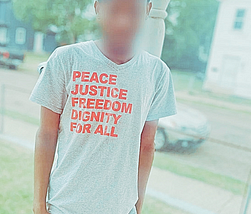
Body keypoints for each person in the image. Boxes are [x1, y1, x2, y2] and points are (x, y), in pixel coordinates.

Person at [30, 0, 177, 213]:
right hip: (65, 206)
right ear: (98, 7)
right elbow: (46, 134)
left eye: (134, 12)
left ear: (147, 10)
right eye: (114, 10)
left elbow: (147, 146)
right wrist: (38, 205)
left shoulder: (157, 73)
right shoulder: (66, 59)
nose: (123, 22)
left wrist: (137, 205)